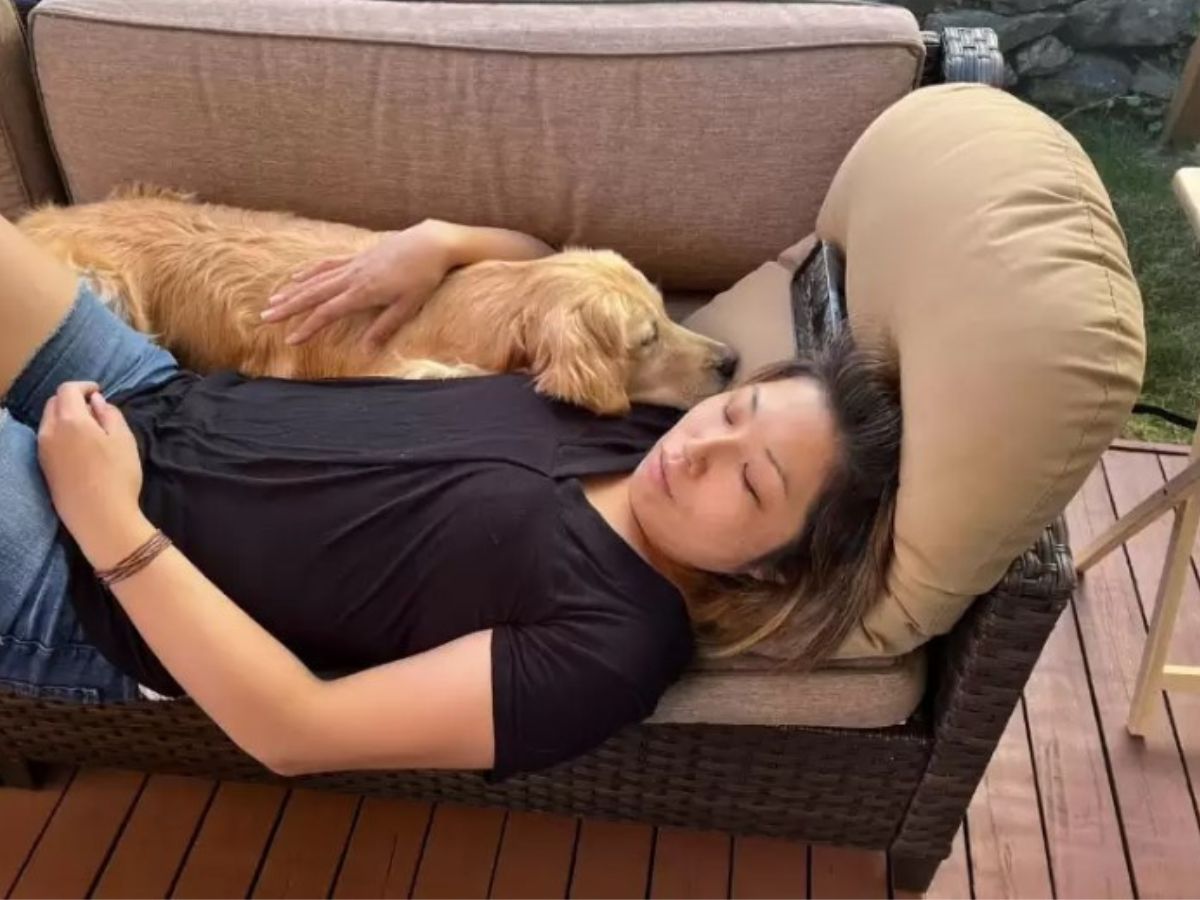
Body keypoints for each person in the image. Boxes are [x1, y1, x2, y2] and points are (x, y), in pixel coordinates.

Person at [0, 213, 901, 780]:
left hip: (88, 575)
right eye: (734, 412)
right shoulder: (632, 418)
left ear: (768, 570)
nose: (702, 445)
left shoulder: (613, 650)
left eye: (751, 481)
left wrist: (108, 520)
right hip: (149, 387)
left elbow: (297, 732)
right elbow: (551, 270)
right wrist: (436, 244)